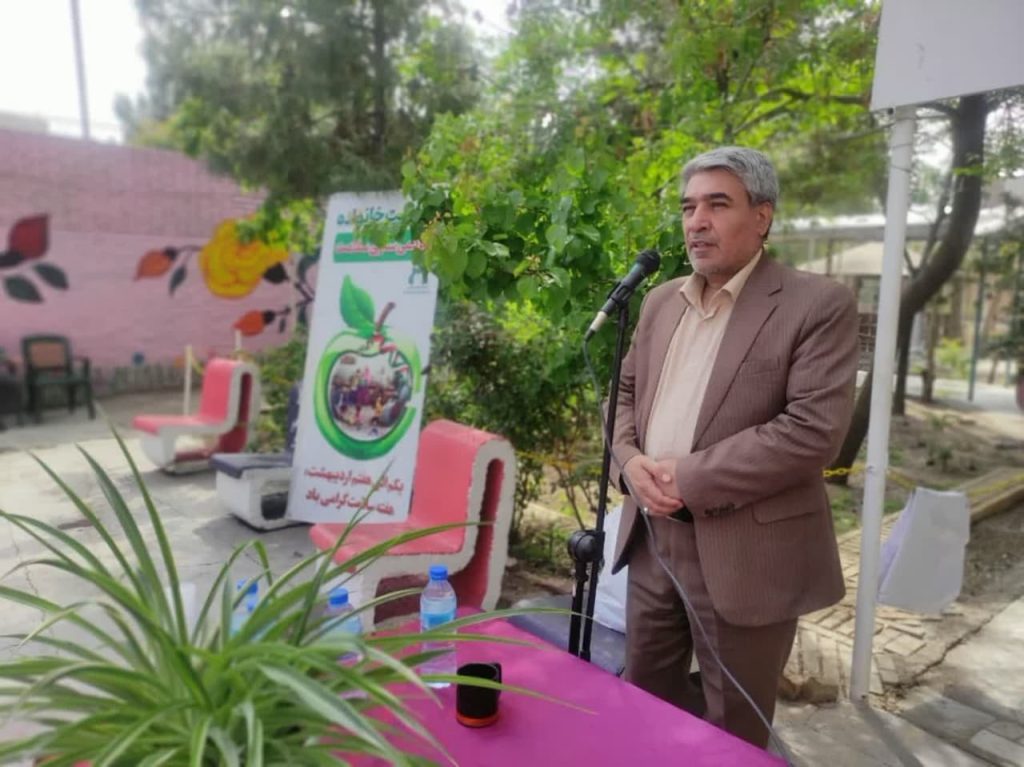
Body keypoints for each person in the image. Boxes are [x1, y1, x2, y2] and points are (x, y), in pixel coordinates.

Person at [609, 146, 860, 748]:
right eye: (688, 207)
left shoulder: (816, 304)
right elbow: (622, 395)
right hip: (652, 540)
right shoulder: (660, 301)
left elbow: (812, 430)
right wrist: (629, 463)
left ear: (762, 216)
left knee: (734, 729)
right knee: (645, 703)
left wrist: (688, 479)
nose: (697, 222)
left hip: (748, 551)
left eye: (717, 205)